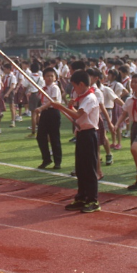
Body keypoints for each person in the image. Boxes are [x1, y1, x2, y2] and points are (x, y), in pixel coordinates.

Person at [52, 70, 101, 213]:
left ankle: (93, 199)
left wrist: (61, 107)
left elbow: (78, 115)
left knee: (89, 168)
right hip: (81, 134)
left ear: (81, 84)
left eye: (74, 86)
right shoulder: (82, 97)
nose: (74, 90)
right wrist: (70, 106)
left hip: (89, 134)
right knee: (80, 168)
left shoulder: (90, 98)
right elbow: (77, 116)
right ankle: (82, 196)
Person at [32, 67, 62, 170]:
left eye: (51, 76)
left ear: (55, 77)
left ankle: (57, 161)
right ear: (44, 77)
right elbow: (42, 100)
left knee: (54, 137)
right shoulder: (43, 88)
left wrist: (40, 108)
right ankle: (46, 159)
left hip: (53, 112)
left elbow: (52, 101)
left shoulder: (55, 88)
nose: (49, 78)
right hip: (45, 113)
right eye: (47, 76)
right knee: (40, 137)